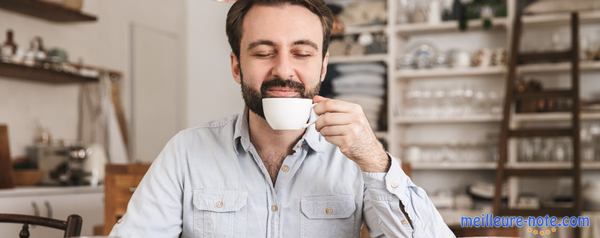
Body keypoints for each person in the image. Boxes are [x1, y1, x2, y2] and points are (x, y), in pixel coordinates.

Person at [110, 0, 454, 237]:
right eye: (263, 52)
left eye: (302, 53)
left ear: (322, 66)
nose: (283, 70)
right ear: (236, 66)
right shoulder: (186, 152)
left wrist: (375, 161)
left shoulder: (354, 159)